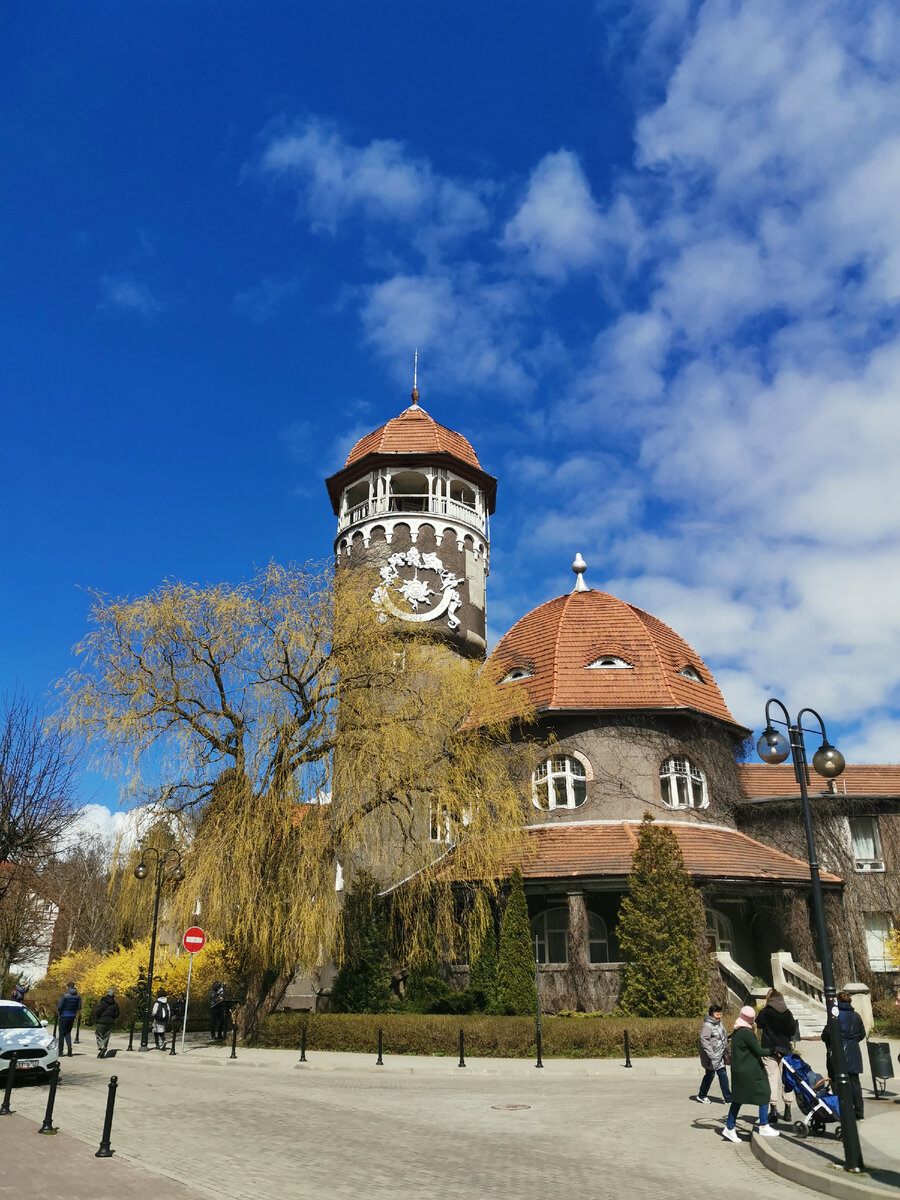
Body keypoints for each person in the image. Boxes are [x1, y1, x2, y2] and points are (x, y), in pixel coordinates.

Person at [721, 1005, 780, 1142]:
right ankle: (764, 1125)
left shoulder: (737, 1030)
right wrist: (773, 1050)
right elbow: (758, 1051)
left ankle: (729, 1127)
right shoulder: (746, 1033)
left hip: (739, 1070)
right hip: (750, 1071)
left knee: (738, 1099)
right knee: (764, 1092)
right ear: (751, 1019)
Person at [755, 988, 799, 1123]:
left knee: (771, 1078)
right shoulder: (788, 1013)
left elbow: (759, 1024)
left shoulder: (765, 1011)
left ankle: (773, 1109)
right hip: (785, 1049)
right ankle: (788, 1110)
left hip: (769, 1049)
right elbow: (793, 1030)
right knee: (787, 1079)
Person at [822, 990, 866, 1121]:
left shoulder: (835, 1015)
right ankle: (859, 1112)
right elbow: (862, 1034)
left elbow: (826, 1035)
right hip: (853, 1052)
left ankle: (841, 1110)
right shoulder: (856, 1016)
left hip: (838, 1053)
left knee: (836, 1082)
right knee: (854, 1082)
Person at [695, 1005, 732, 1104]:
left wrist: (727, 1039)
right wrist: (711, 1054)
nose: (719, 1016)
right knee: (710, 1075)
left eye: (720, 1014)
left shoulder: (719, 1023)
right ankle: (702, 1095)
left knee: (722, 1074)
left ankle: (728, 1098)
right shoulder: (707, 1025)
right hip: (711, 1056)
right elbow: (704, 1040)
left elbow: (721, 1035)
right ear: (711, 1014)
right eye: (717, 1014)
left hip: (720, 1054)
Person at [57, 982, 82, 1057]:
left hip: (64, 1015)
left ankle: (60, 1051)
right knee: (68, 1032)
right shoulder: (78, 997)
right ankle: (69, 1049)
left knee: (61, 1034)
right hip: (72, 1016)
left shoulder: (65, 996)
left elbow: (59, 1007)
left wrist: (61, 1012)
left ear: (68, 987)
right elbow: (79, 1007)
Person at [94, 987, 120, 1058]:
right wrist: (112, 1018)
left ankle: (101, 1047)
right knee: (106, 1036)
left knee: (98, 1034)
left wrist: (98, 1017)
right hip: (110, 1021)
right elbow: (117, 1014)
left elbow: (97, 1011)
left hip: (102, 1020)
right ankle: (104, 1047)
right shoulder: (115, 1004)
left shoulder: (103, 1002)